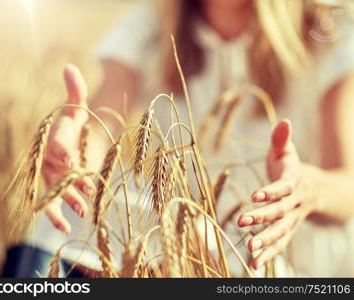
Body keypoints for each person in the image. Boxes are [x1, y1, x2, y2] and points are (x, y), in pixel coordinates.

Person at [22, 0, 354, 277]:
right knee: (65, 216)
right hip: (187, 237)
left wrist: (306, 189)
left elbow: (348, 184)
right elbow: (100, 125)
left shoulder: (327, 33)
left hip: (284, 259)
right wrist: (74, 156)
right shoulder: (151, 25)